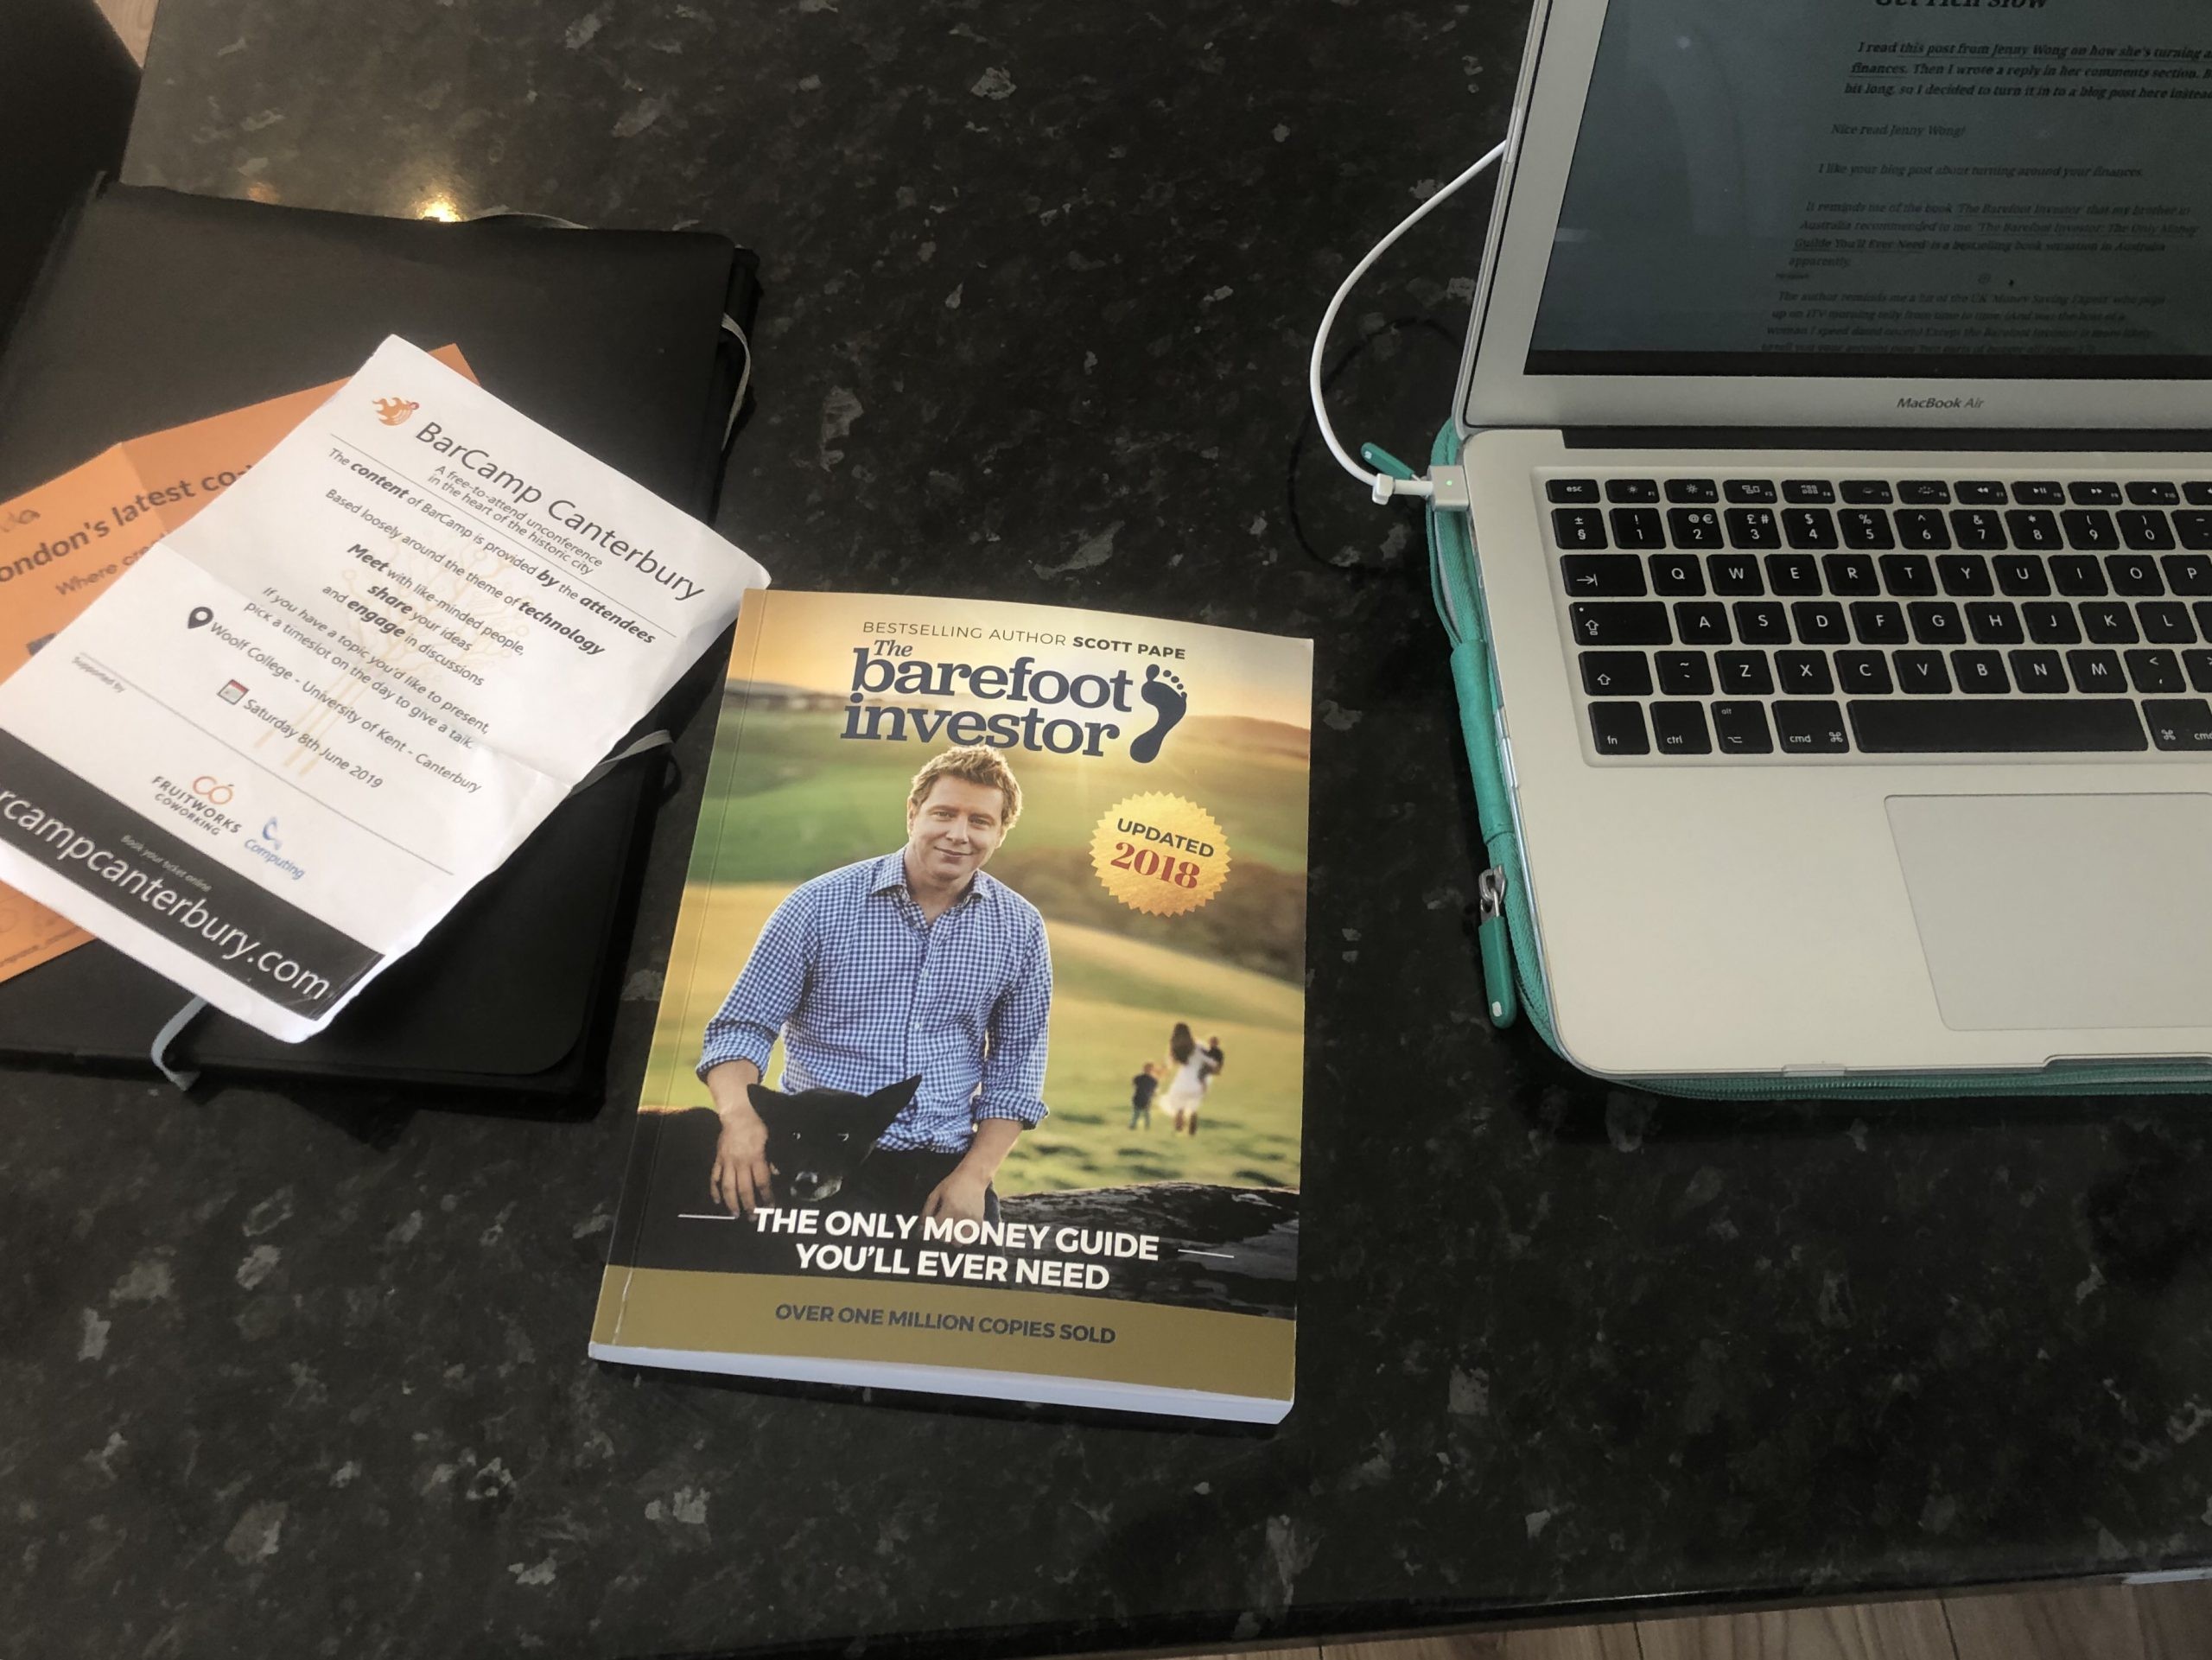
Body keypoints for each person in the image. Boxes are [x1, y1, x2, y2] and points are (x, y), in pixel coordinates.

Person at [697, 745, 1052, 1221]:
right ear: (913, 813)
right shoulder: (817, 906)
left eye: (980, 821)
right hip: (818, 1159)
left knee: (964, 1294)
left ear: (1000, 832)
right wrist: (740, 1120)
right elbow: (743, 1027)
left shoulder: (1021, 929)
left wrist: (975, 1177)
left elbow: (1016, 1066)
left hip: (943, 1167)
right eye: (943, 814)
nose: (958, 834)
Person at [1161, 1021, 1216, 1137]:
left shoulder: (1176, 1048)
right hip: (1198, 1082)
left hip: (1182, 1082)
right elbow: (1211, 1062)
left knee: (1179, 1107)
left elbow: (1168, 1065)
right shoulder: (1198, 1046)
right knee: (1193, 1109)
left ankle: (1178, 1130)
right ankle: (1192, 1133)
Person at [1128, 1061, 1160, 1130]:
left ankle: (1146, 1127)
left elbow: (1154, 1091)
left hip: (1146, 1099)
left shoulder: (1152, 1080)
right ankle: (1133, 1125)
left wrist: (1154, 1095)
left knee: (1146, 1114)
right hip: (1139, 1097)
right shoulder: (1141, 1078)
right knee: (1137, 1114)